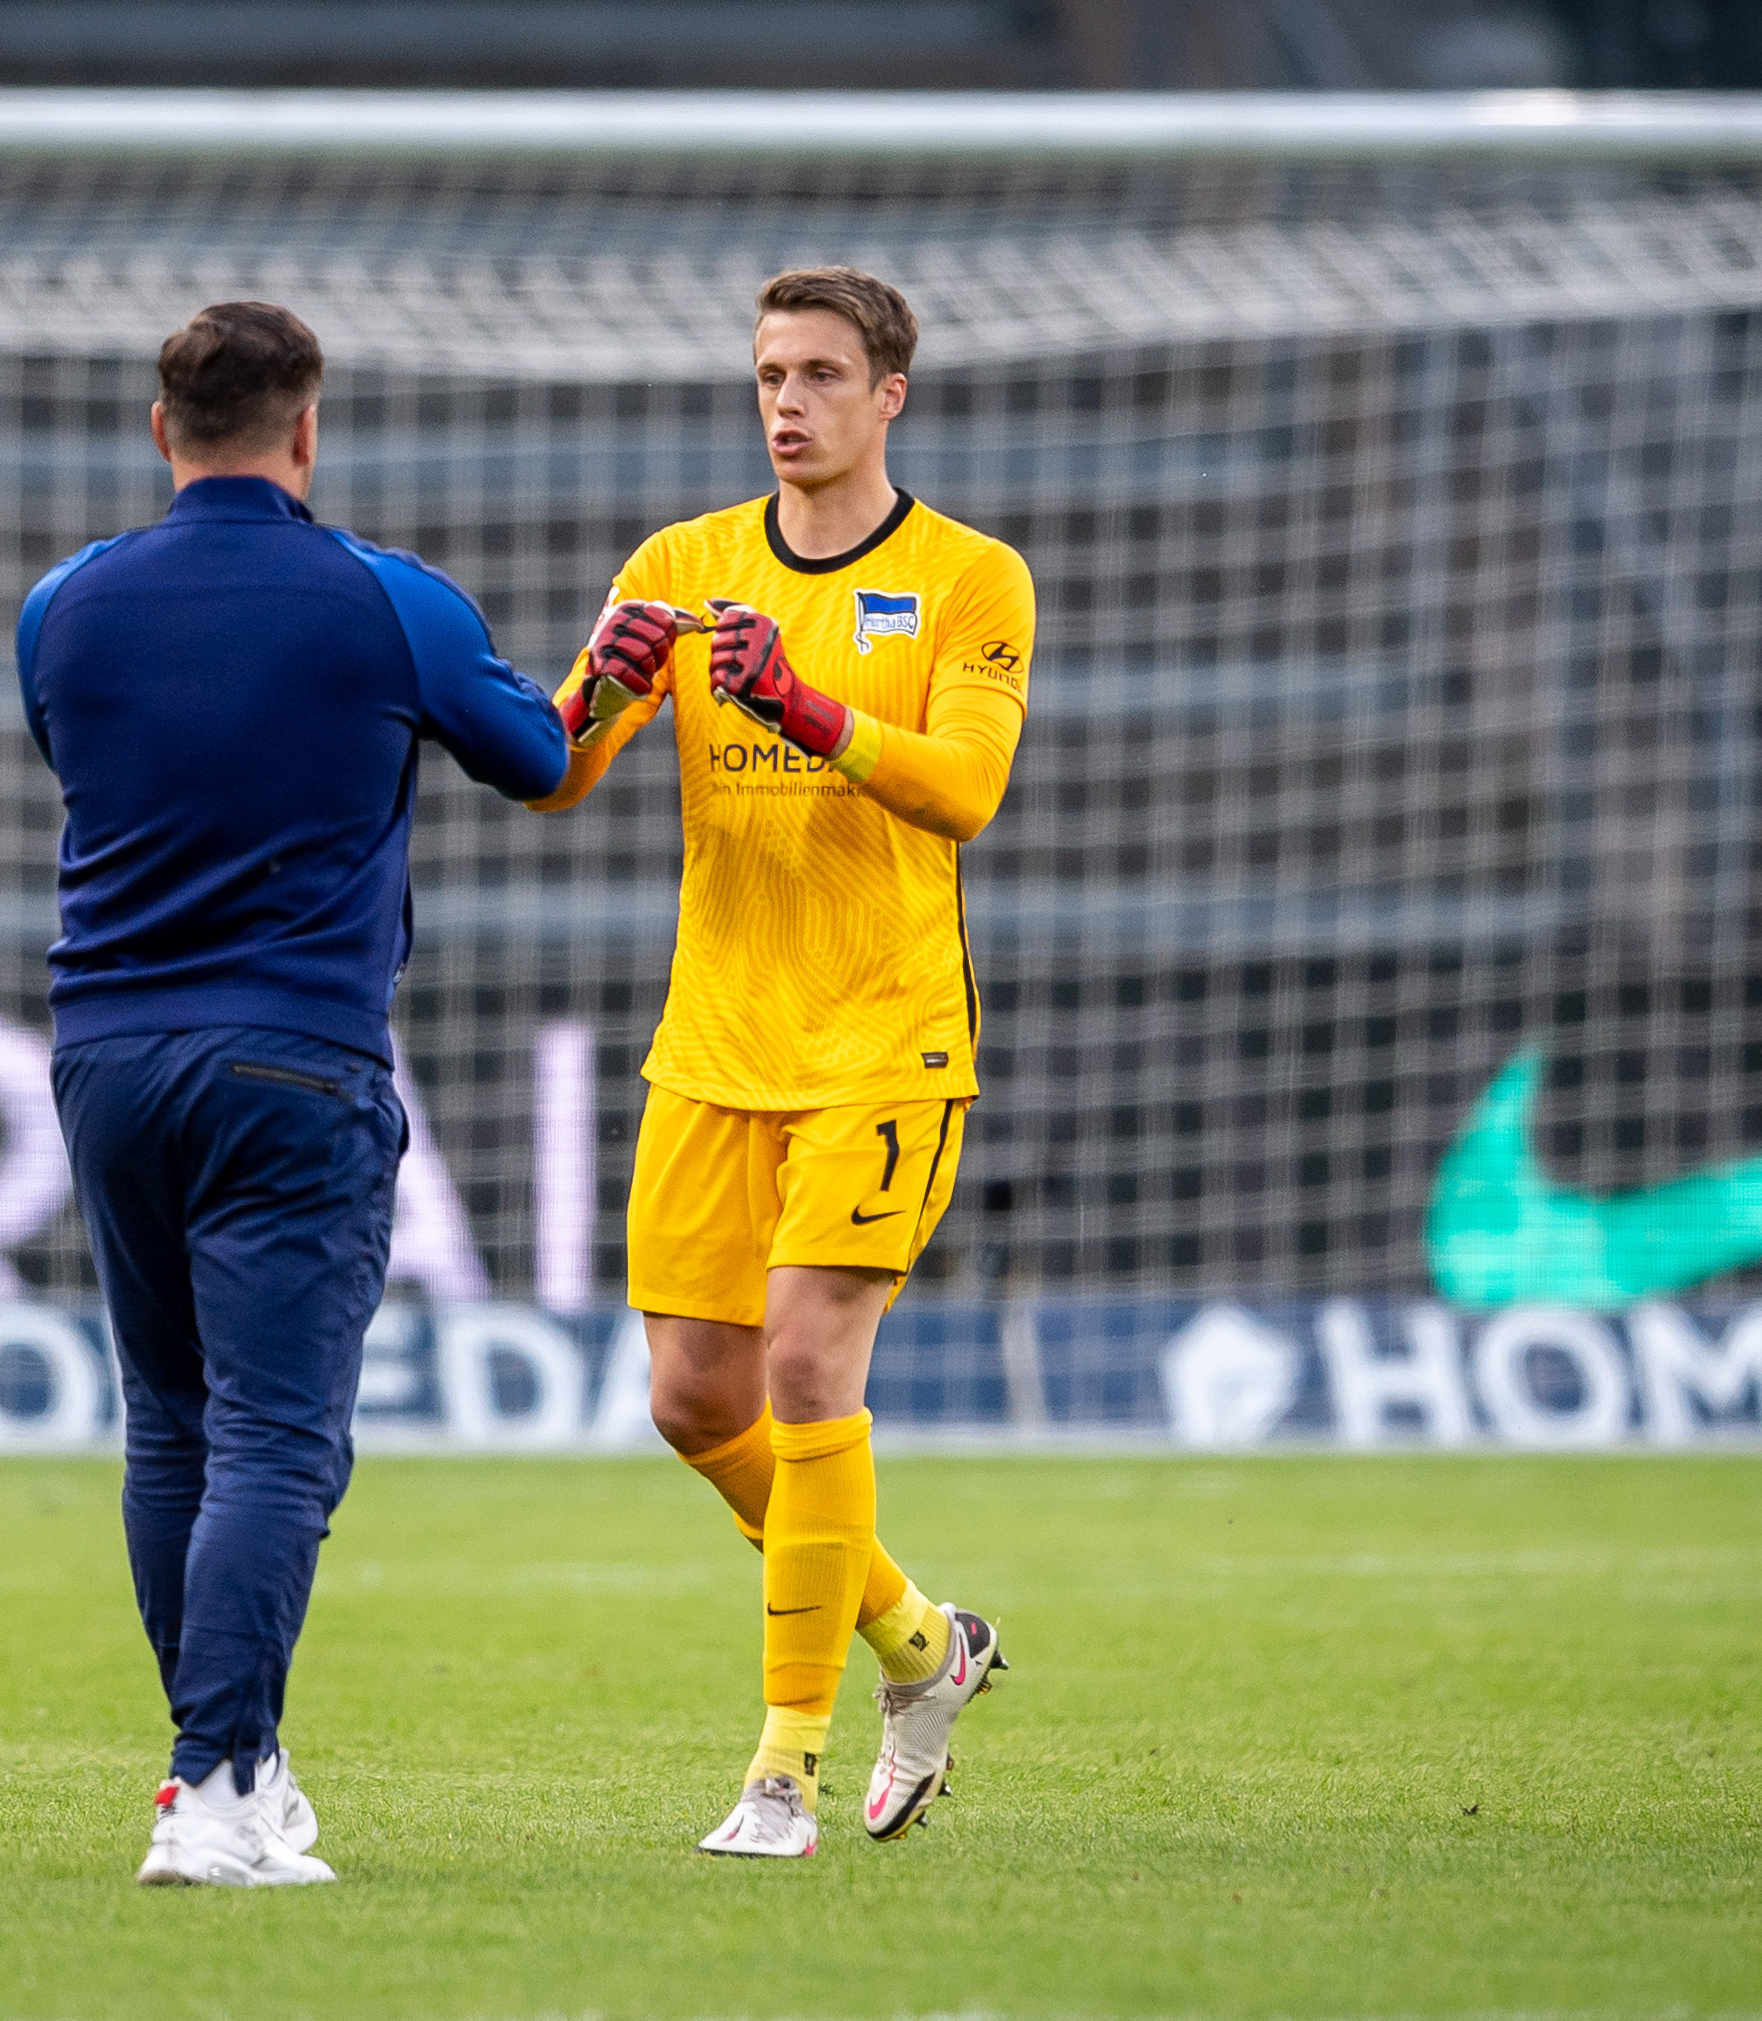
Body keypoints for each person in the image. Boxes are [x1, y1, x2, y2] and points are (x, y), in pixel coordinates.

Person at [19, 301, 568, 1886]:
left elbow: (81, 751)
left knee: (168, 1427)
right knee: (273, 1438)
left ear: (159, 427)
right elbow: (534, 758)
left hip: (106, 1058)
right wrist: (610, 668)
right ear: (308, 429)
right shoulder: (384, 602)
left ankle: (231, 1770)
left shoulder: (62, 607)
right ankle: (214, 1785)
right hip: (292, 1056)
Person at [529, 267, 1035, 1856]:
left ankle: (781, 1769)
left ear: (891, 394)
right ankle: (921, 1641)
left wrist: (805, 703)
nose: (787, 400)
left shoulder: (970, 578)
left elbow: (964, 791)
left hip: (883, 1042)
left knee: (812, 1372)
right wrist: (597, 684)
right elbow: (553, 775)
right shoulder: (683, 566)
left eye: (820, 372)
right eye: (767, 374)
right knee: (695, 1400)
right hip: (714, 1046)